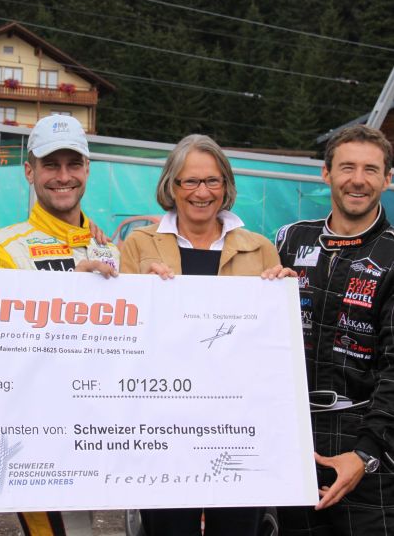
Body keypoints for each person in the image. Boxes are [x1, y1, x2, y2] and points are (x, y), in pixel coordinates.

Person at [121, 133, 280, 536]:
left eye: (212, 181)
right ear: (171, 187)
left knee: (238, 527)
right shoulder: (139, 245)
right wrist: (137, 289)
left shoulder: (260, 248)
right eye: (190, 181)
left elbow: (272, 342)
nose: (201, 192)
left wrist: (281, 292)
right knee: (169, 528)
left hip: (238, 422)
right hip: (163, 423)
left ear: (226, 186)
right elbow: (120, 333)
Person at [0, 115, 119, 536]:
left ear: (87, 169)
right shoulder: (0, 249)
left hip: (101, 428)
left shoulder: (108, 247)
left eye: (73, 164)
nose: (63, 176)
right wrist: (70, 297)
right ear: (29, 171)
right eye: (50, 165)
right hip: (37, 435)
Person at [271, 124, 394, 535]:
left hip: (368, 438)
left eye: (371, 170)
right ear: (325, 174)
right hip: (290, 436)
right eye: (346, 167)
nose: (357, 180)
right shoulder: (289, 240)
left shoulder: (392, 253)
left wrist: (366, 453)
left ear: (387, 179)